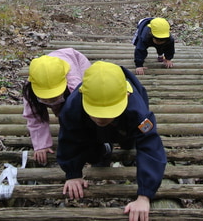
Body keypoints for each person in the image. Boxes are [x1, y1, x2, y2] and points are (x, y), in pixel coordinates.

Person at [57, 61, 167, 221]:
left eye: (108, 112)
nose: (102, 117)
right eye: (97, 112)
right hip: (89, 128)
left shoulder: (138, 111)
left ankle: (127, 145)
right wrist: (72, 173)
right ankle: (102, 152)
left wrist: (145, 195)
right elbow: (69, 138)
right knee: (93, 151)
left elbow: (150, 145)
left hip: (126, 122)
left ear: (127, 96)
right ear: (82, 95)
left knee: (129, 142)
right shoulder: (72, 106)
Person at [22, 48, 92, 165]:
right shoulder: (30, 90)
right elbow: (34, 117)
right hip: (52, 69)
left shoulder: (75, 84)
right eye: (45, 97)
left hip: (77, 62)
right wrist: (41, 145)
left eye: (53, 97)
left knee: (78, 107)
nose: (49, 100)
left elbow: (82, 110)